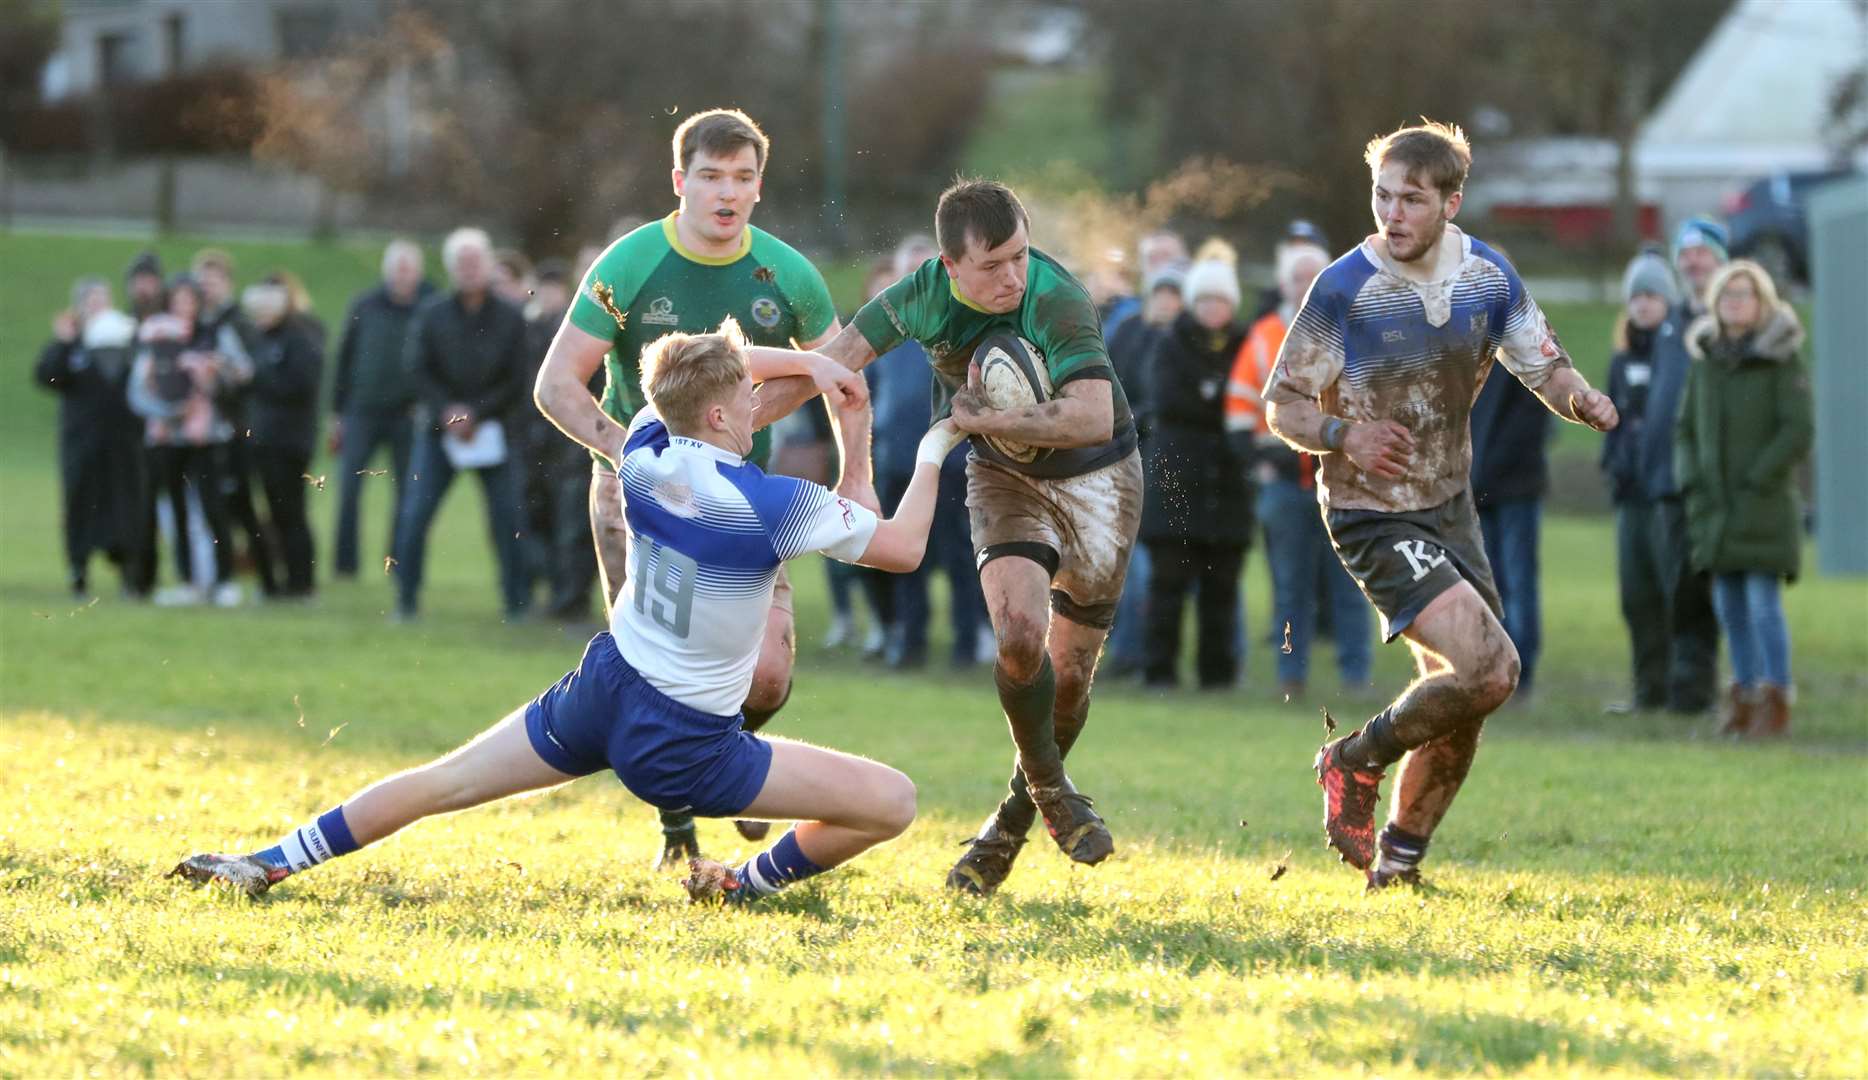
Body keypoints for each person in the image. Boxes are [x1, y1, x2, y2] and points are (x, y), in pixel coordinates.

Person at [171, 321, 964, 904]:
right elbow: (899, 547)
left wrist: (812, 366)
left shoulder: (647, 449)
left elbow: (709, 373)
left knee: (441, 781)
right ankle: (743, 883)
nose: (759, 405)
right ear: (720, 417)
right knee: (893, 801)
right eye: (748, 400)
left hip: (604, 689)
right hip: (686, 742)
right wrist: (932, 446)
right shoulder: (771, 503)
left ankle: (268, 860)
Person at [755, 178, 1144, 894]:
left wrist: (984, 422)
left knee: (1070, 681)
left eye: (1020, 256)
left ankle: (1008, 826)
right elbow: (832, 363)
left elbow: (1090, 416)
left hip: (1101, 480)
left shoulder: (1054, 296)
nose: (1012, 276)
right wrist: (722, 426)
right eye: (992, 265)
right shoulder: (918, 296)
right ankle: (1055, 793)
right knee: (1021, 635)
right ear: (950, 264)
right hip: (1004, 481)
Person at [1264, 122, 1617, 890]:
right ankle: (1352, 759)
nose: (1391, 214)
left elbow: (1544, 367)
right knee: (1492, 669)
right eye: (1382, 195)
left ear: (1451, 203)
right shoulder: (1343, 288)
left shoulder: (1487, 277)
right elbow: (1280, 405)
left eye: (1411, 200)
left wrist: (1580, 397)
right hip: (1370, 513)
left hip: (1451, 510)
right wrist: (1341, 435)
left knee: (1464, 697)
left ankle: (1399, 862)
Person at [533, 109, 847, 868]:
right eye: (710, 176)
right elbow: (555, 384)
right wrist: (630, 454)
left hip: (743, 506)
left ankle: (734, 760)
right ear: (680, 182)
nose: (726, 192)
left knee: (767, 675)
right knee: (655, 673)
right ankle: (678, 831)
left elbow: (838, 371)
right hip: (637, 501)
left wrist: (777, 419)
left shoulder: (788, 274)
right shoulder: (631, 262)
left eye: (742, 178)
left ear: (759, 187)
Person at [1226, 232, 1373, 700]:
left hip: (1345, 479)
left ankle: (1356, 677)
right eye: (1297, 277)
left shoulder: (1356, 332)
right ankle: (1292, 677)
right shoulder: (1264, 336)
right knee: (1290, 587)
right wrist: (1263, 464)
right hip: (1285, 486)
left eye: (1313, 275)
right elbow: (1237, 415)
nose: (1305, 283)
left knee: (1352, 583)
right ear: (1283, 284)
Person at [1675, 261, 1813, 737]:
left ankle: (1775, 699)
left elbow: (1798, 429)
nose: (1734, 301)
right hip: (1714, 508)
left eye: (1744, 294)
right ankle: (1744, 696)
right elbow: (1686, 429)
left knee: (1762, 604)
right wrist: (1693, 478)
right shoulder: (1706, 360)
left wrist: (1758, 477)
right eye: (1727, 294)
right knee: (1729, 607)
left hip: (1762, 505)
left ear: (1762, 302)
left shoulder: (1782, 359)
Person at [393, 227, 532, 621]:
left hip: (493, 429)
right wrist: (447, 410)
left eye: (476, 261)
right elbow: (416, 369)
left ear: (488, 264)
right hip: (438, 431)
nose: (470, 269)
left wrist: (477, 412)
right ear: (451, 268)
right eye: (462, 262)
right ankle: (406, 600)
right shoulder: (431, 312)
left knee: (508, 517)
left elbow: (517, 378)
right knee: (415, 514)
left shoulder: (510, 317)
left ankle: (516, 602)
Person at [866, 236, 990, 670]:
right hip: (898, 459)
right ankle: (910, 641)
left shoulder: (965, 325)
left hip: (953, 463)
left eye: (928, 269)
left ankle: (966, 644)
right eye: (912, 270)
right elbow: (871, 394)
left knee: (961, 556)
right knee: (904, 557)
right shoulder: (884, 330)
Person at [1140, 255, 1250, 689]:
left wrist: (1216, 398)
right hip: (1176, 485)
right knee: (1167, 585)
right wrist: (1218, 399)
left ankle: (1217, 675)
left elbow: (1252, 399)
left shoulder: (1247, 344)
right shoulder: (1170, 343)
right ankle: (1158, 671)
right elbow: (1167, 399)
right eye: (1203, 299)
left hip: (1227, 487)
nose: (1212, 309)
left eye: (1220, 300)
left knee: (1221, 589)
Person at [1640, 218, 1729, 715]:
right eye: (1686, 254)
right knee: (1675, 585)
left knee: (1707, 587)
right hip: (1664, 480)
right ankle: (1681, 686)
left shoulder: (1729, 322)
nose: (1694, 262)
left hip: (1709, 481)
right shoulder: (1670, 323)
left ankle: (1705, 689)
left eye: (1703, 253)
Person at [127, 275, 254, 607]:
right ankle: (188, 580)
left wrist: (214, 372)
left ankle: (224, 580)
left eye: (189, 301)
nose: (184, 308)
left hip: (206, 436)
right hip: (168, 437)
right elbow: (138, 388)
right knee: (178, 511)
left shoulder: (214, 334)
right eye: (177, 301)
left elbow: (243, 372)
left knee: (214, 507)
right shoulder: (156, 336)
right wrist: (168, 409)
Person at [1468, 237, 1552, 705]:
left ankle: (1523, 670)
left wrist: (1485, 468)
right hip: (1476, 486)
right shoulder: (1464, 344)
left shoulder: (1528, 338)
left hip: (1515, 485)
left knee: (1517, 579)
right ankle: (1493, 669)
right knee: (1486, 582)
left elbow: (1530, 425)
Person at [1600, 247, 1680, 713]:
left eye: (1652, 295)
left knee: (1673, 591)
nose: (1643, 304)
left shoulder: (1680, 356)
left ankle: (1679, 687)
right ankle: (1646, 688)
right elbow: (1611, 419)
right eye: (1636, 297)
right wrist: (1615, 465)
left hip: (1666, 495)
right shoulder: (1621, 358)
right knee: (1636, 595)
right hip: (1631, 496)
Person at [34, 277, 148, 599]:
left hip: (123, 442)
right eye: (91, 301)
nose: (98, 307)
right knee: (80, 503)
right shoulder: (73, 345)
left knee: (126, 504)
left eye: (103, 300)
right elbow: (48, 378)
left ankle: (129, 574)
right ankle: (78, 572)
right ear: (79, 307)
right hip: (82, 441)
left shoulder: (127, 341)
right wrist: (65, 343)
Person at [330, 239, 433, 580]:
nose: (403, 275)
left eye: (408, 268)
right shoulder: (365, 304)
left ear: (418, 271)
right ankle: (345, 565)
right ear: (387, 271)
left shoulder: (432, 304)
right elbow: (344, 359)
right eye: (397, 268)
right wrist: (336, 413)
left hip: (409, 414)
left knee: (408, 493)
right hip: (362, 411)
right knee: (349, 489)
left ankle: (398, 564)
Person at [192, 249, 274, 598]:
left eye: (214, 281)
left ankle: (267, 579)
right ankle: (217, 575)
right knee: (216, 507)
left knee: (241, 507)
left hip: (237, 427)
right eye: (203, 282)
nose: (207, 289)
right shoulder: (199, 325)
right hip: (208, 429)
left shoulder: (238, 323)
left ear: (228, 283)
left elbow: (254, 372)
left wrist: (227, 372)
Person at [242, 276, 325, 599]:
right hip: (265, 437)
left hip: (290, 439)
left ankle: (302, 583)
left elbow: (301, 385)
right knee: (276, 512)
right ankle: (283, 582)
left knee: (292, 511)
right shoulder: (263, 337)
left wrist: (256, 377)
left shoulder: (302, 335)